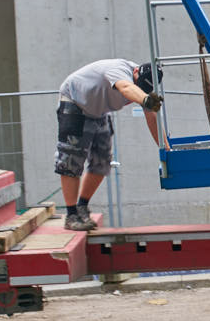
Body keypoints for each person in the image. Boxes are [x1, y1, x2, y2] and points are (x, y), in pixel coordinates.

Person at [54, 59, 164, 231]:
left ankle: (82, 206)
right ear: (135, 72)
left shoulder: (142, 88)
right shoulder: (119, 69)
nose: (141, 91)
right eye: (139, 86)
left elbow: (152, 118)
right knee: (71, 159)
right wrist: (145, 99)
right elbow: (126, 88)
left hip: (98, 110)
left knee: (102, 160)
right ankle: (71, 215)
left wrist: (165, 149)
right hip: (75, 101)